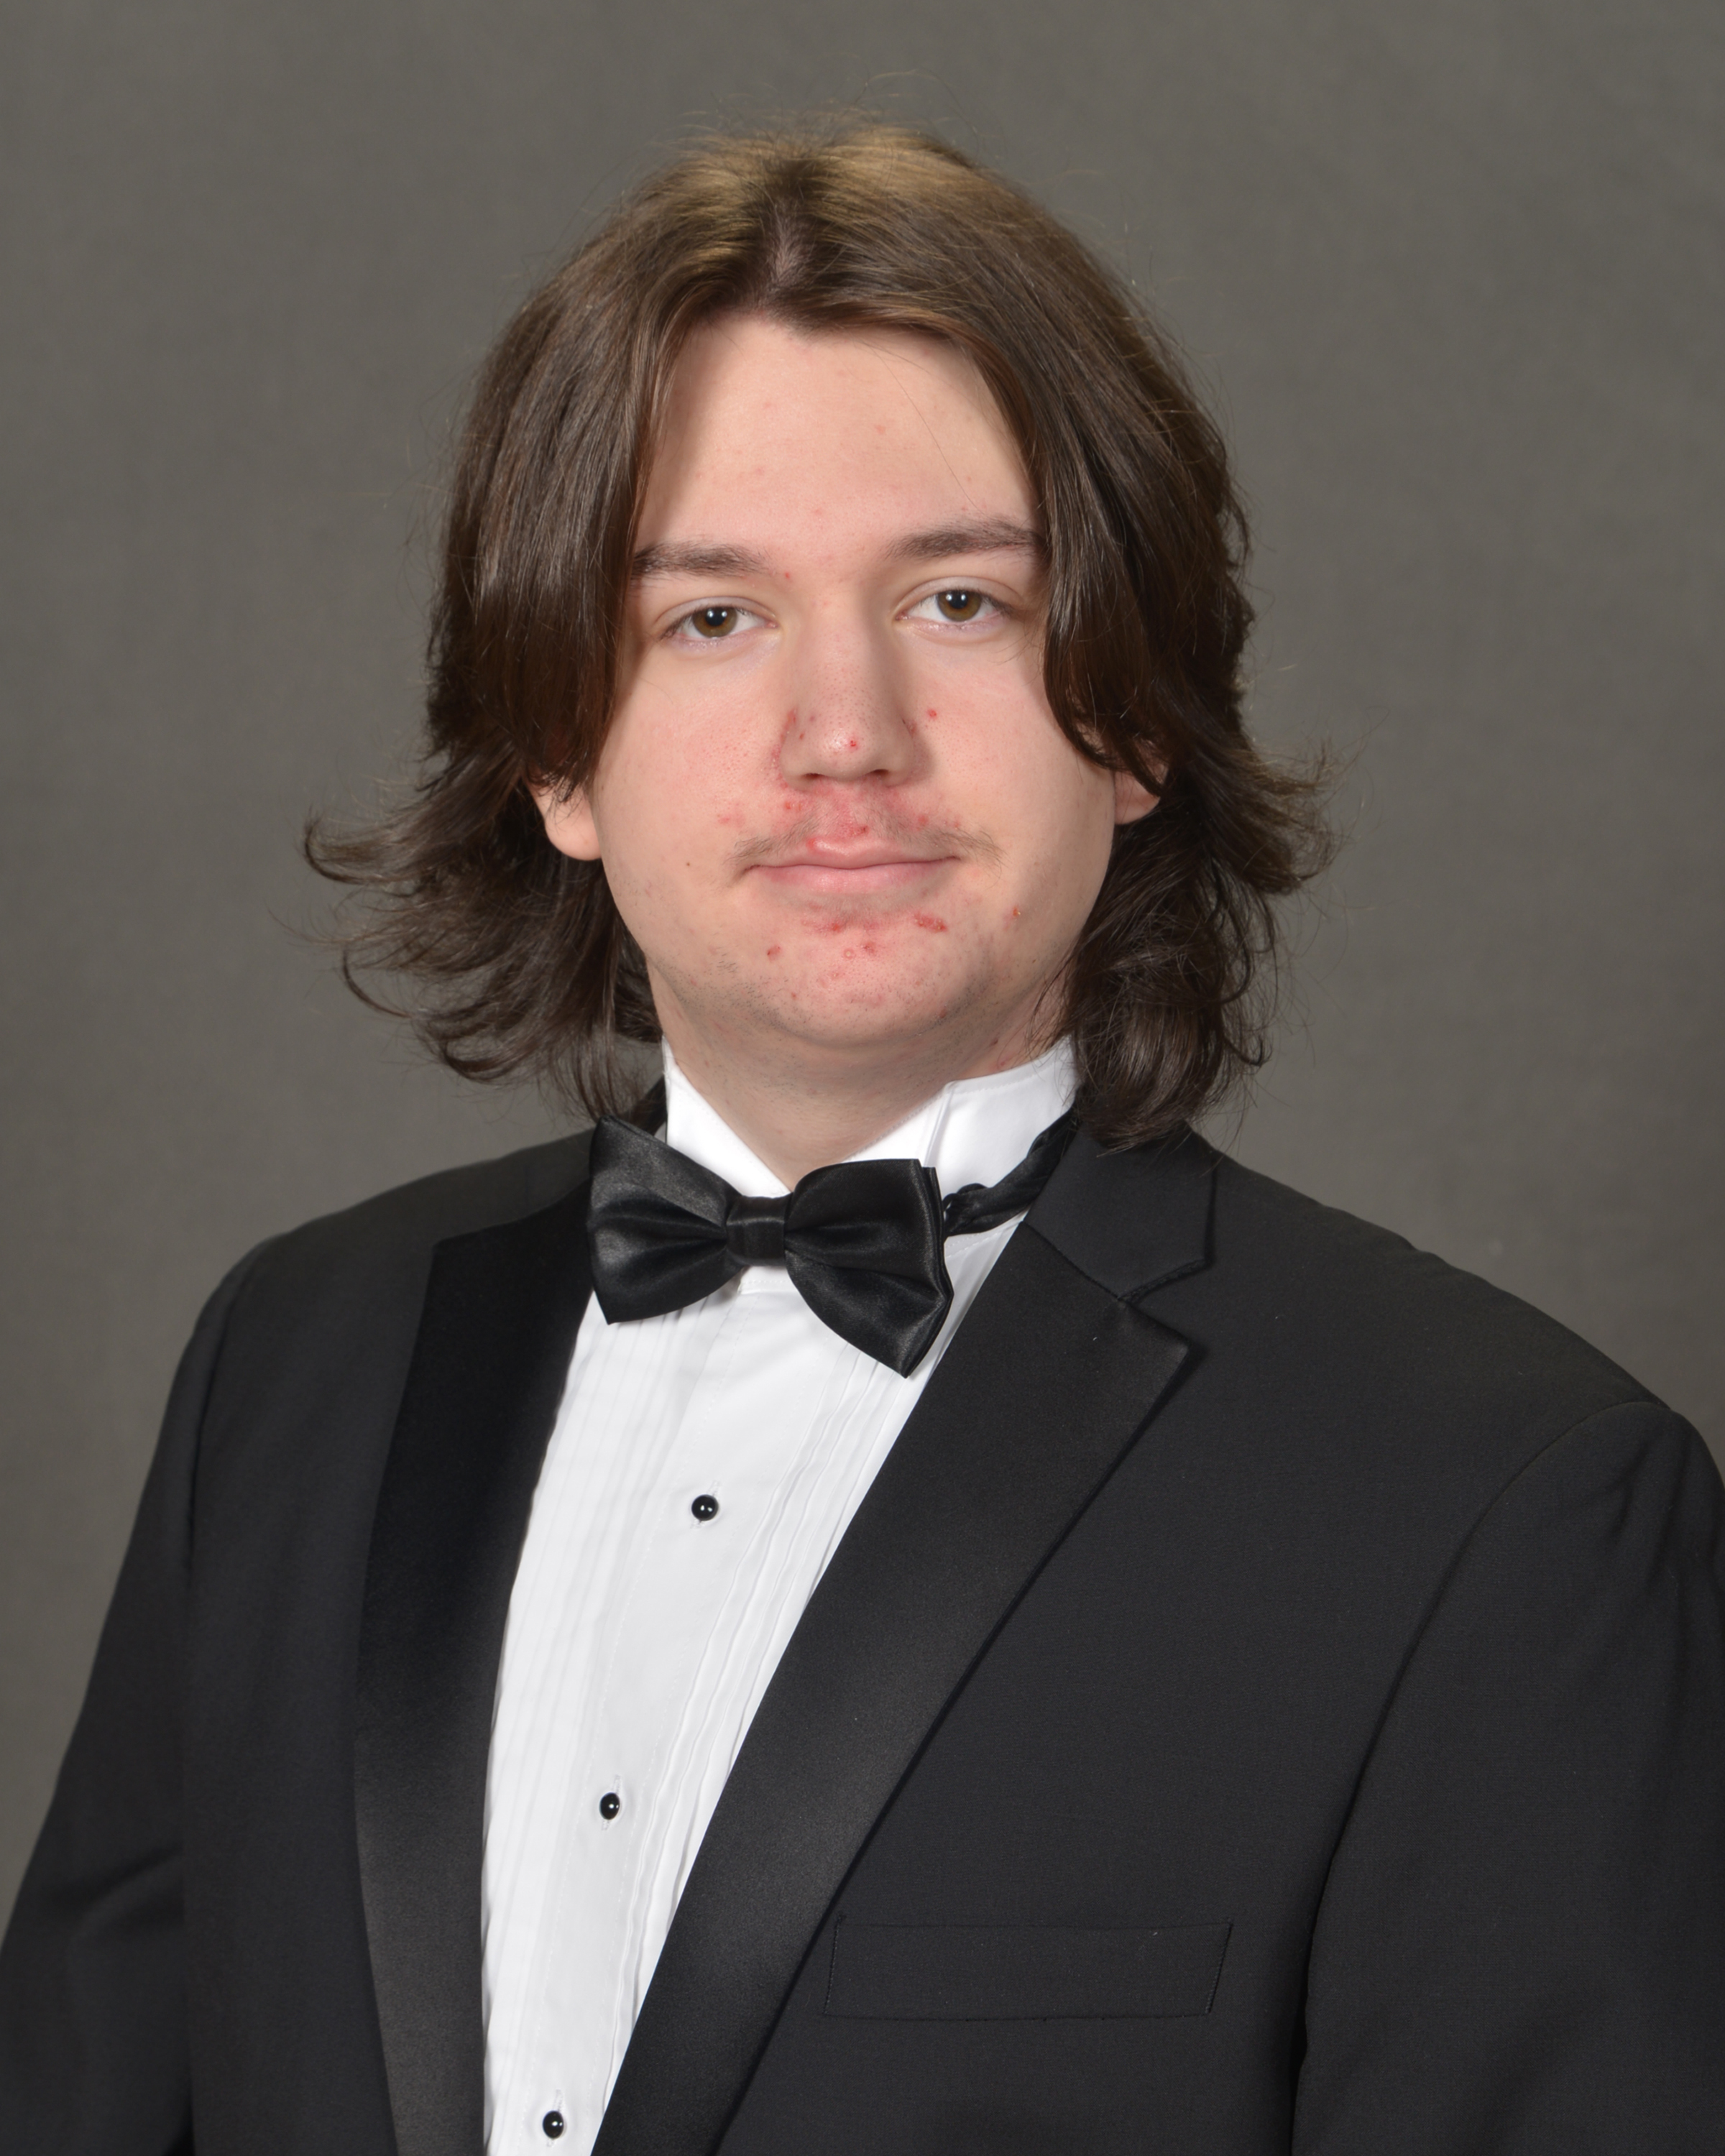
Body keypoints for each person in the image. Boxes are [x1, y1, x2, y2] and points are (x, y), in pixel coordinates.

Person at [1, 121, 1720, 2156]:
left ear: (1136, 720)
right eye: (712, 618)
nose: (848, 733)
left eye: (962, 602)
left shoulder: (1513, 1503)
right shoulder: (290, 1367)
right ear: (557, 754)